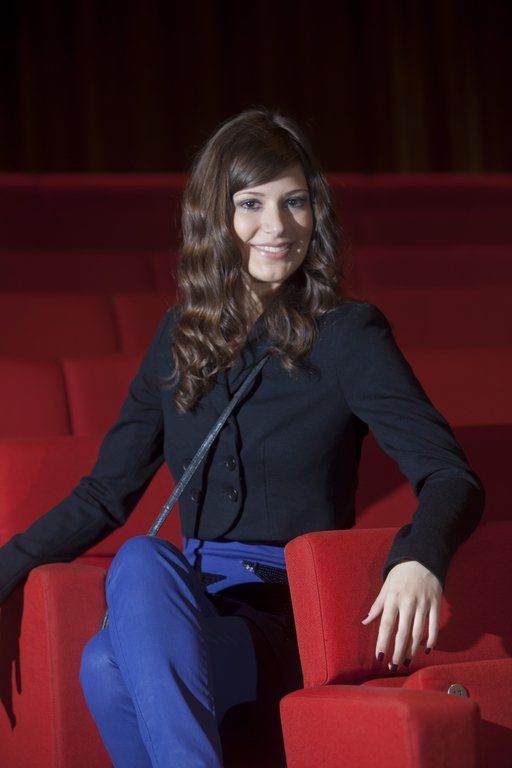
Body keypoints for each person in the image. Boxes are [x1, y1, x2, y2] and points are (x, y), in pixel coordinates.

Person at [0, 107, 485, 767]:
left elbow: (450, 475)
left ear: (316, 213)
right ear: (214, 217)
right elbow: (105, 494)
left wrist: (419, 557)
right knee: (128, 599)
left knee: (108, 656)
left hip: (286, 615)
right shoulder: (178, 337)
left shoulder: (348, 335)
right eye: (251, 203)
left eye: (295, 202)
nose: (277, 226)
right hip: (185, 605)